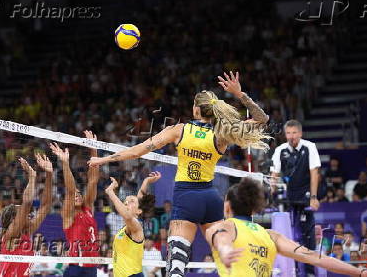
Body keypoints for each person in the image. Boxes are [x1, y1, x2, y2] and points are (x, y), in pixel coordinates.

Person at [89, 71, 270, 276]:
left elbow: (138, 151)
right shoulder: (222, 134)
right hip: (211, 198)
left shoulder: (179, 130)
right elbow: (262, 118)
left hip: (186, 197)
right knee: (225, 260)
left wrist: (102, 159)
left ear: (195, 109)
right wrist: (240, 94)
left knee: (176, 266)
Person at [205, 178, 367, 277]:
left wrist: (225, 250)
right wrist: (358, 272)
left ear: (227, 206)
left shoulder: (225, 226)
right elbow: (314, 257)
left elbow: (221, 237)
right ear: (254, 207)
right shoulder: (270, 236)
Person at [271, 119, 321, 276]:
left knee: (307, 235)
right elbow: (274, 175)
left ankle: (309, 271)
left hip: (305, 196)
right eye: (288, 133)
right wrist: (271, 191)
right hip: (288, 198)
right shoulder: (280, 150)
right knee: (288, 235)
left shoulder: (309, 147)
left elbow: (314, 173)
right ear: (285, 134)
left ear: (300, 133)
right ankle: (291, 270)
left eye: (294, 133)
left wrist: (313, 197)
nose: (291, 136)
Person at [50, 130, 100, 277]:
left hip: (92, 266)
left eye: (79, 193)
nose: (77, 195)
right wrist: (65, 163)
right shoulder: (68, 214)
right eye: (74, 195)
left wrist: (93, 149)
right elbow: (71, 190)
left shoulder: (88, 208)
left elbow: (93, 180)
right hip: (76, 267)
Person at [0, 154, 53, 277]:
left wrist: (49, 174)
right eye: (21, 213)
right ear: (13, 219)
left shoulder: (27, 231)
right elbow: (27, 203)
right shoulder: (10, 233)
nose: (28, 214)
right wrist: (32, 176)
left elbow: (46, 205)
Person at [105, 172, 159, 277]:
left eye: (131, 201)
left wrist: (111, 192)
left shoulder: (136, 226)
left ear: (139, 211)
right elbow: (140, 199)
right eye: (126, 202)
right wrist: (146, 181)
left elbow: (128, 215)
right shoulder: (125, 227)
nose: (127, 203)